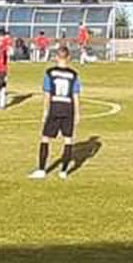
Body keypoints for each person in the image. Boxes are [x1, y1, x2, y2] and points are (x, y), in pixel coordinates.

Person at [30, 45, 80, 180]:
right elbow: (75, 94)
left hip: (55, 107)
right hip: (68, 108)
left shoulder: (50, 73)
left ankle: (41, 169)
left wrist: (45, 110)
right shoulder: (74, 74)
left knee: (45, 138)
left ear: (56, 57)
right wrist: (77, 113)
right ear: (69, 58)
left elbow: (47, 93)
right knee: (68, 140)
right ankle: (63, 171)